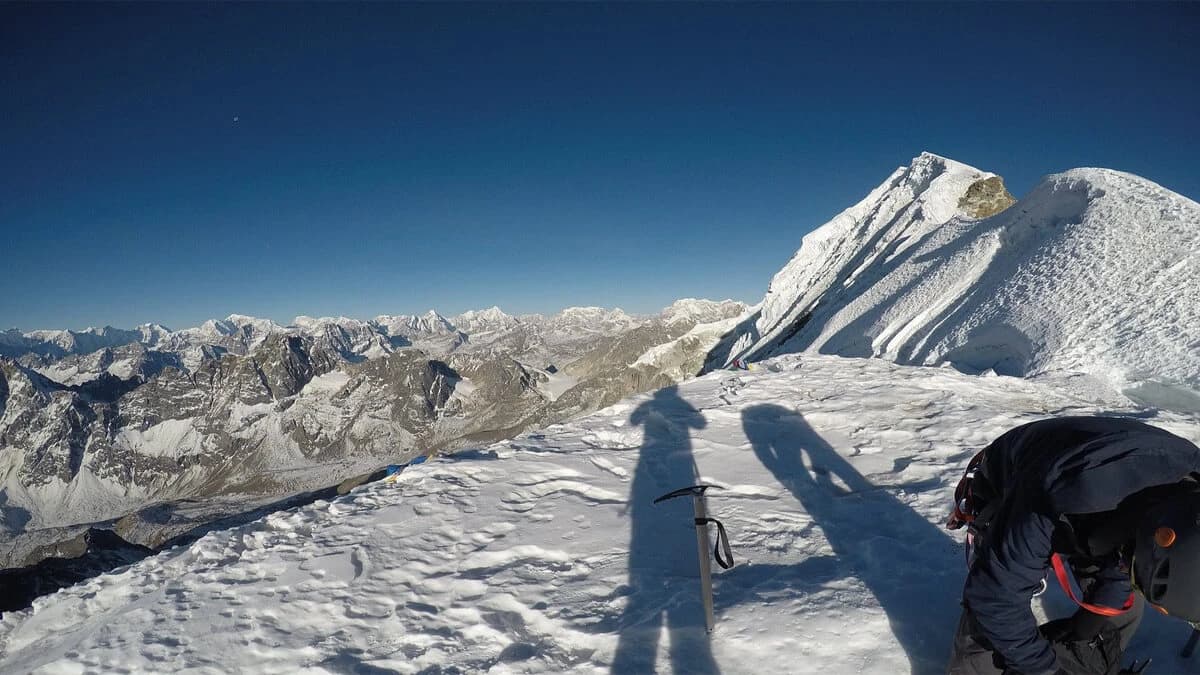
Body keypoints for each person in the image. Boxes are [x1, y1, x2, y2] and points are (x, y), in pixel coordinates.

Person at [945, 416, 1200, 675]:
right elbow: (995, 597)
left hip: (1113, 495)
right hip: (1019, 478)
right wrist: (1044, 670)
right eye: (1129, 567)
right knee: (988, 629)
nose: (1123, 570)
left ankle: (1081, 650)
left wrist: (1092, 618)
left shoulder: (1186, 495)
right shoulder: (1049, 496)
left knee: (1122, 608)